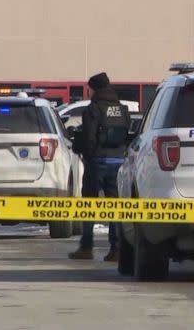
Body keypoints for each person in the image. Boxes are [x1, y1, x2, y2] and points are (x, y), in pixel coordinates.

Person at [69, 72, 130, 261]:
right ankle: (116, 249)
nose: (88, 92)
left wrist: (83, 151)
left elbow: (89, 138)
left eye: (89, 89)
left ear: (95, 88)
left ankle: (86, 247)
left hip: (97, 162)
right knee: (115, 208)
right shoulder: (121, 108)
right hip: (118, 161)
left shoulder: (93, 109)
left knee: (89, 205)